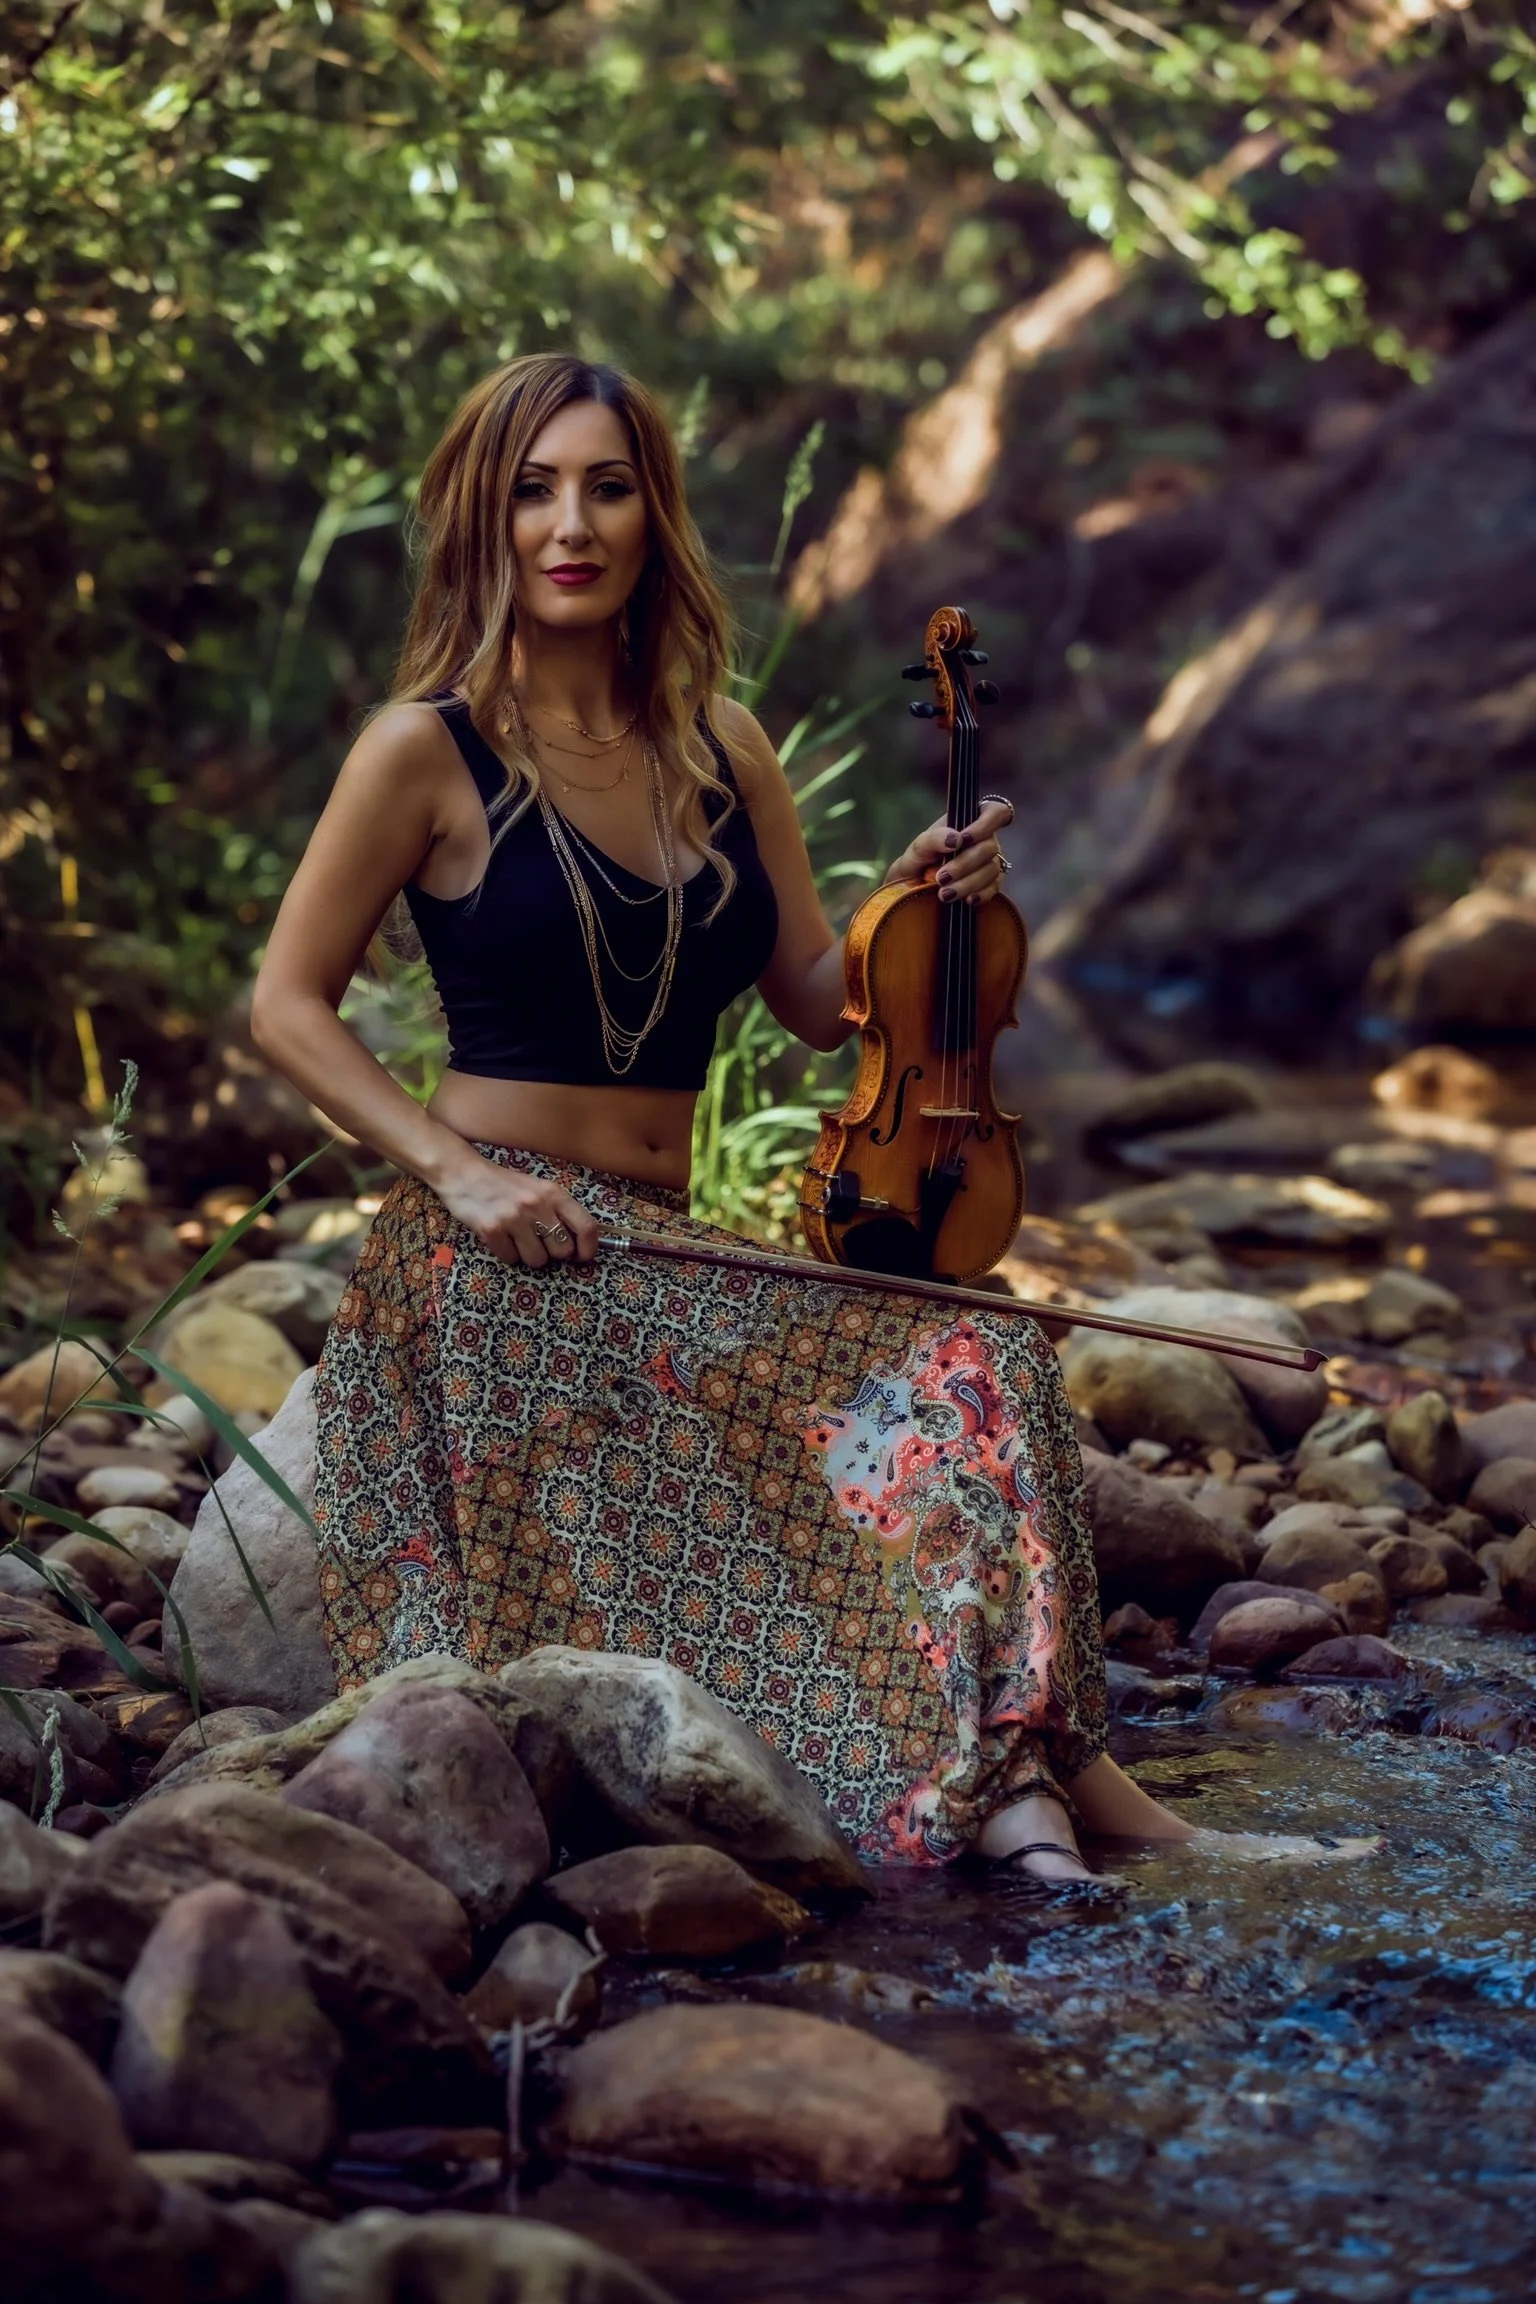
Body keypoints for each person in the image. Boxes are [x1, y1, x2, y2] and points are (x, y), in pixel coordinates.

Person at [253, 354, 1369, 1882]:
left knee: (976, 1360)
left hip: (663, 1249)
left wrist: (916, 903)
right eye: (532, 489)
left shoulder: (725, 746)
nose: (569, 523)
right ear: (484, 521)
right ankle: (1052, 1815)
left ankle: (1058, 1796)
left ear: (655, 513)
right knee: (870, 1439)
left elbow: (805, 992)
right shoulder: (426, 748)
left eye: (606, 483)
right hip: (502, 1268)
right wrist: (459, 1180)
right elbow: (287, 1004)